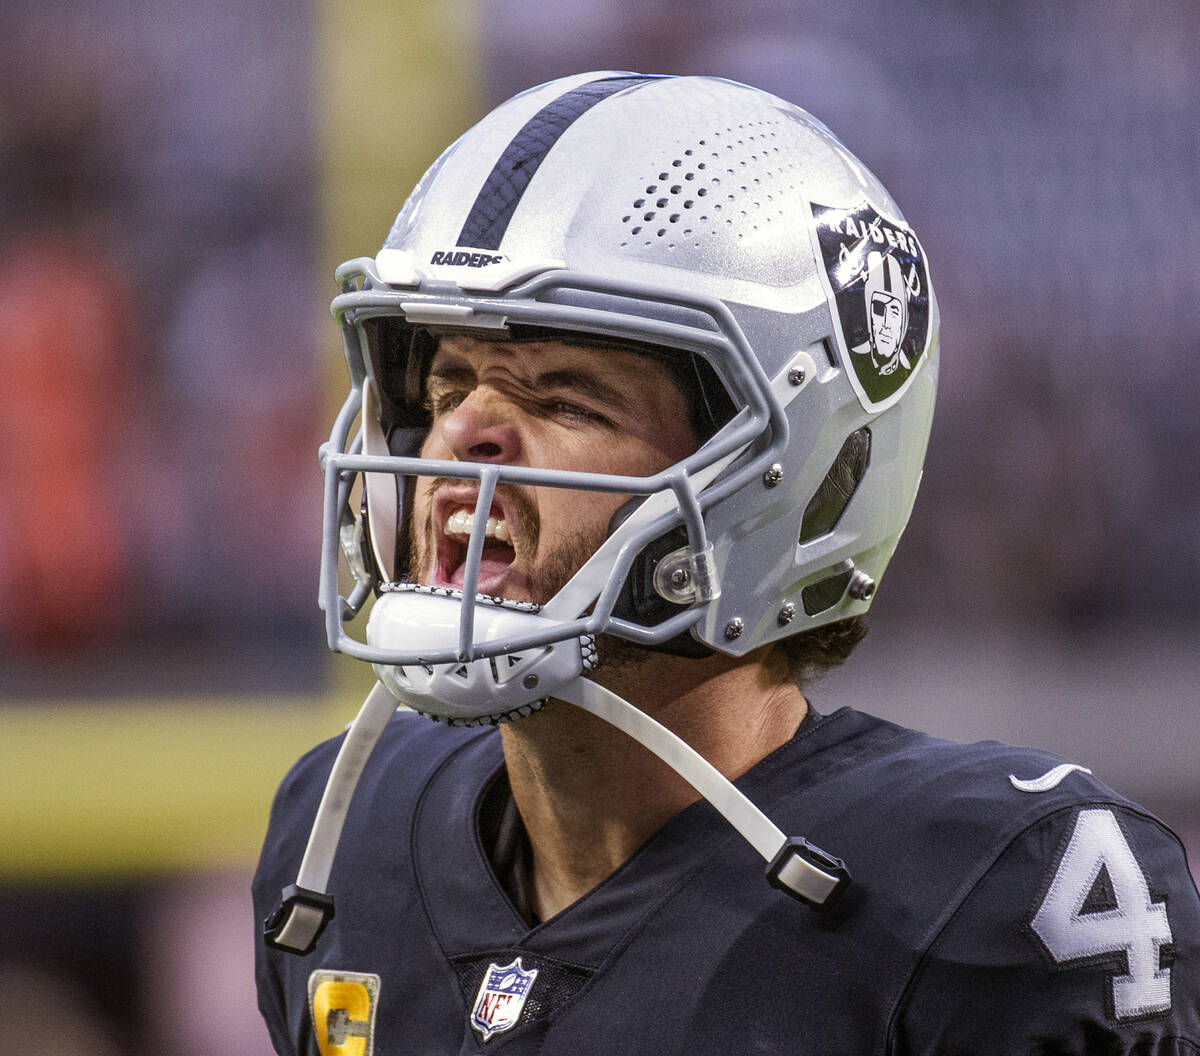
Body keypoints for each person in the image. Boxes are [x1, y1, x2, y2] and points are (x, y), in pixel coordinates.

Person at [253, 72, 1200, 1054]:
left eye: (566, 399)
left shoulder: (987, 894)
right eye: (447, 383)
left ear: (791, 471)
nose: (460, 438)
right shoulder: (344, 837)